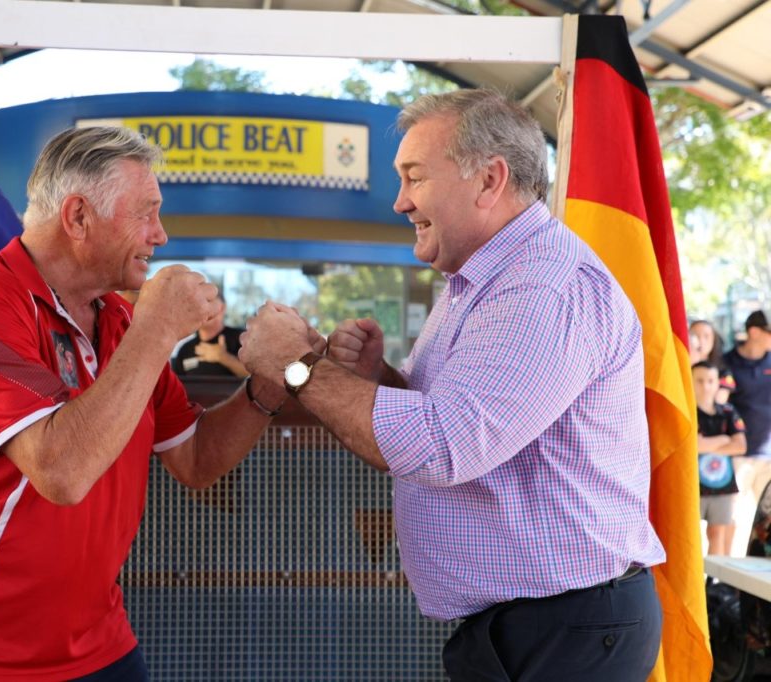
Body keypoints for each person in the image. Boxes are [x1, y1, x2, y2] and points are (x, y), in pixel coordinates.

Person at [240, 89, 666, 681]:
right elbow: (459, 421)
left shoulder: (539, 289)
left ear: (489, 180)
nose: (399, 202)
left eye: (415, 177)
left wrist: (297, 369)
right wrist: (377, 381)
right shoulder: (490, 280)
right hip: (544, 624)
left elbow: (444, 447)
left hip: (563, 627)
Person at [0, 126, 298, 682]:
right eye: (146, 213)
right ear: (76, 218)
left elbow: (195, 458)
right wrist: (158, 328)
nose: (161, 235)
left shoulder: (118, 320)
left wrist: (268, 383)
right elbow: (61, 471)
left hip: (96, 640)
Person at [723, 310, 771, 553]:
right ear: (754, 332)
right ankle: (726, 583)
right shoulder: (727, 363)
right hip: (739, 455)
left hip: (769, 456)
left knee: (766, 523)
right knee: (734, 520)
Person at [693, 360, 747, 555]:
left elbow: (740, 446)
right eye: (699, 380)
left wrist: (706, 444)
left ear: (718, 383)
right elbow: (693, 446)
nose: (705, 386)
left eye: (710, 380)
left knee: (717, 532)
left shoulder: (728, 412)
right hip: (693, 484)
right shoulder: (689, 412)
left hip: (722, 485)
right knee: (691, 535)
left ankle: (715, 582)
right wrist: (724, 439)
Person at [172, 294, 247, 378]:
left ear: (222, 308)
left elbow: (257, 378)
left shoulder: (243, 339)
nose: (203, 310)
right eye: (198, 305)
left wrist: (224, 358)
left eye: (209, 303)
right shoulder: (185, 350)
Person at [689, 318, 734, 404]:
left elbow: (719, 400)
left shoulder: (722, 369)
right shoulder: (679, 366)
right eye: (695, 336)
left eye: (706, 336)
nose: (701, 341)